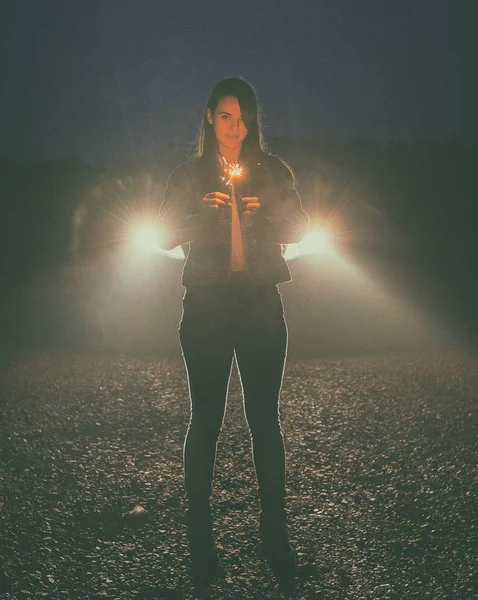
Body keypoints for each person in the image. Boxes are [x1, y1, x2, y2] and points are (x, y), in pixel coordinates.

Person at [158, 76, 309, 593]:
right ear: (208, 118)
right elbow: (160, 232)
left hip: (260, 304)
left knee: (265, 420)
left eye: (243, 115)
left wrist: (268, 218)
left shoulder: (272, 171)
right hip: (206, 306)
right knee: (206, 421)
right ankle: (201, 544)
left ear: (252, 120)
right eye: (225, 114)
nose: (235, 124)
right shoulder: (190, 173)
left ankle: (277, 540)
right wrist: (198, 215)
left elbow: (303, 227)